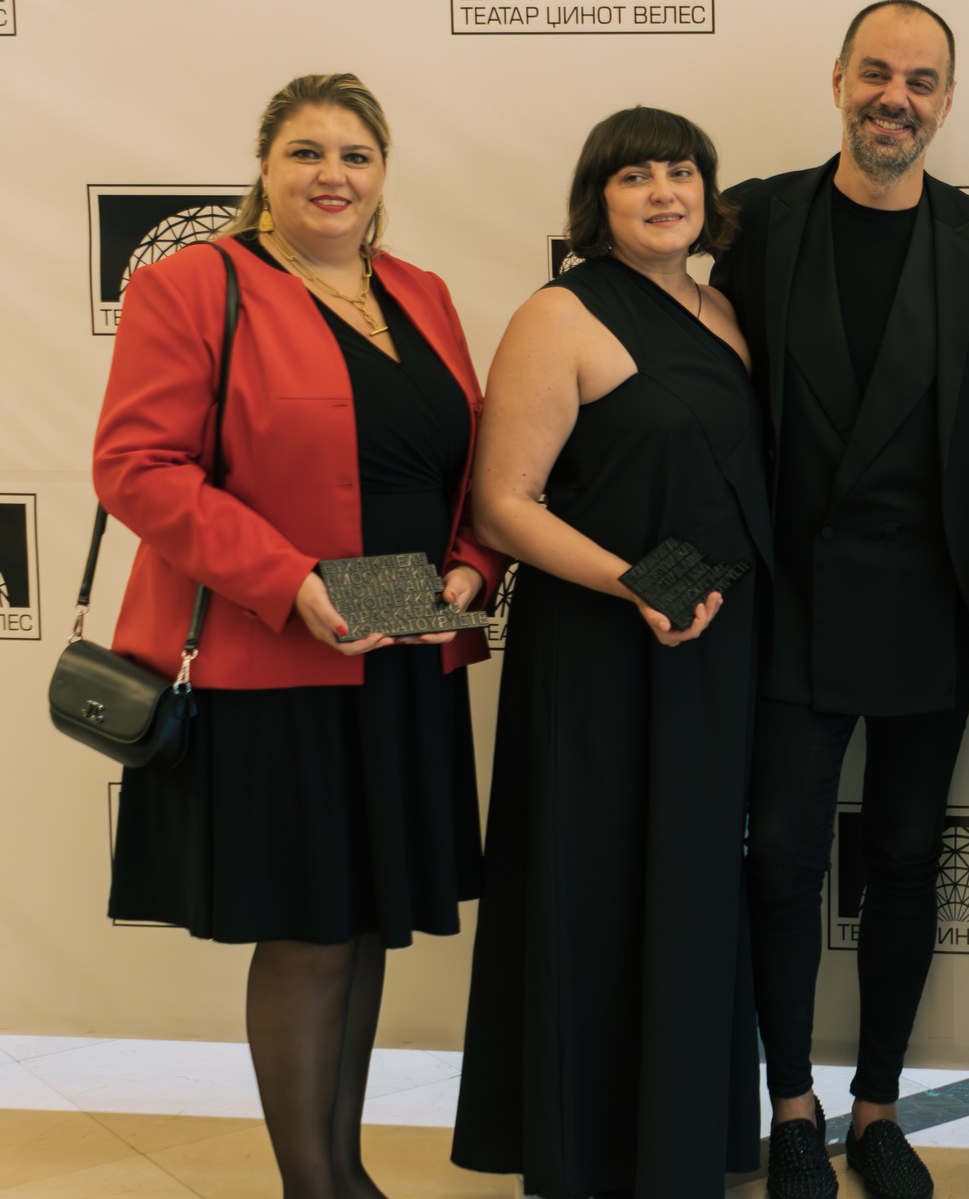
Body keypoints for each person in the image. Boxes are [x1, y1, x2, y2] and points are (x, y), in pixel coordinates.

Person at [94, 72, 502, 1199]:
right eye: (307, 153)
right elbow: (136, 468)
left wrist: (476, 561)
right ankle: (311, 1187)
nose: (333, 175)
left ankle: (348, 1173)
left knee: (364, 925)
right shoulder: (194, 284)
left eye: (355, 155)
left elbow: (462, 464)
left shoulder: (419, 290)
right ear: (265, 169)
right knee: (311, 931)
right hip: (275, 656)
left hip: (405, 650)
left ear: (383, 173)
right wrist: (291, 582)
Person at [710, 0, 969, 1199]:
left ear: (946, 102)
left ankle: (879, 1109)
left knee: (905, 858)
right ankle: (791, 1105)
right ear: (838, 80)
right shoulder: (753, 218)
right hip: (789, 601)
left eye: (920, 80)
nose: (894, 98)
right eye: (875, 73)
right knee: (783, 860)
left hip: (930, 603)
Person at [450, 107, 770, 1197]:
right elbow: (502, 505)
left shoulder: (722, 308)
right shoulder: (560, 312)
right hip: (599, 652)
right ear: (599, 200)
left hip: (710, 644)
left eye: (681, 171)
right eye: (635, 176)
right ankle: (584, 1150)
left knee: (690, 884)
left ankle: (679, 1144)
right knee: (595, 884)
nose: (663, 192)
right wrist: (630, 583)